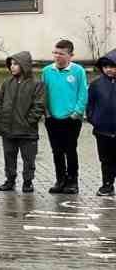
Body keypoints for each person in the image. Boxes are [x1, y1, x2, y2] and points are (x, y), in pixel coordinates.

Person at [0, 51, 46, 193]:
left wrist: (29, 121)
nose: (12, 67)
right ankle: (10, 180)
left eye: (16, 64)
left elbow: (39, 105)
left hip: (27, 130)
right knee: (9, 156)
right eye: (11, 64)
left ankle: (28, 182)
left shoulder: (36, 84)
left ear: (24, 65)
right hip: (7, 129)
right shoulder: (7, 82)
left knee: (29, 158)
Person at [42, 39, 89, 194]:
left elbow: (83, 93)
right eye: (55, 53)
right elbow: (44, 93)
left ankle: (72, 181)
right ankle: (60, 180)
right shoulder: (47, 71)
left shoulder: (78, 71)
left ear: (70, 55)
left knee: (70, 149)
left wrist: (77, 113)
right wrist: (47, 112)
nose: (57, 56)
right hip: (52, 118)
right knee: (57, 151)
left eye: (61, 54)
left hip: (71, 119)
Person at [88, 50, 116, 197]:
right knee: (106, 160)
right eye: (105, 67)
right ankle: (107, 185)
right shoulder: (96, 85)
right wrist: (95, 120)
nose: (109, 69)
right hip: (102, 131)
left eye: (112, 66)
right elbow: (90, 105)